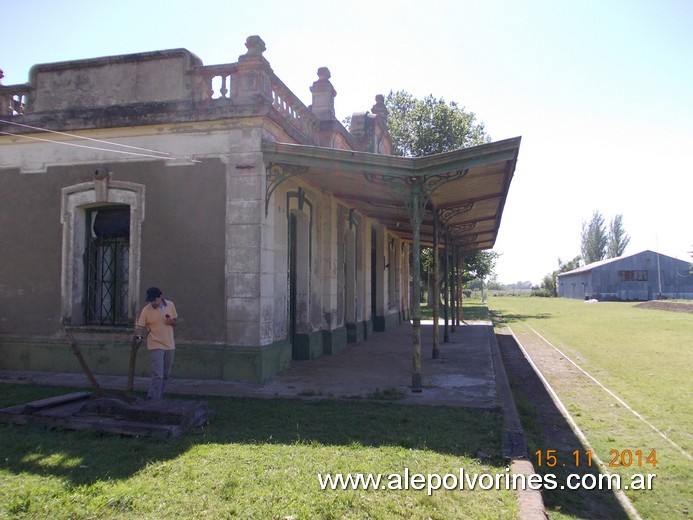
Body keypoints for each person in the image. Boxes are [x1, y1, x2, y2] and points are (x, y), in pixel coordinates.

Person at [134, 287, 178, 400]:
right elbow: (140, 327)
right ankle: (153, 399)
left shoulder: (170, 305)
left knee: (166, 375)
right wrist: (139, 337)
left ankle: (159, 397)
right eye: (150, 301)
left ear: (161, 296)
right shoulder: (146, 310)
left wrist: (171, 322)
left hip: (169, 344)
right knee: (158, 374)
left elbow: (175, 322)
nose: (152, 303)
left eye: (154, 300)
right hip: (155, 344)